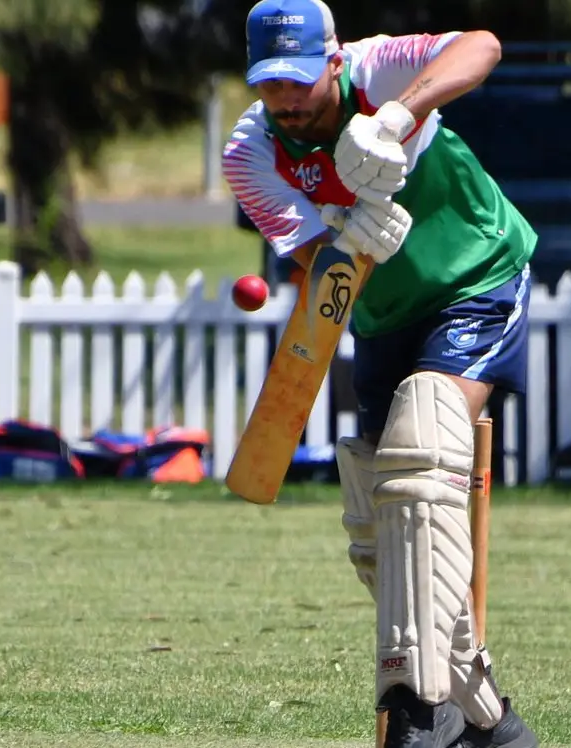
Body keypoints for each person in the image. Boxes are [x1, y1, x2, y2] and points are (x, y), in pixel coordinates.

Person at [221, 2, 539, 747]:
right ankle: (489, 721)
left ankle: (418, 715)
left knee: (421, 454)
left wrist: (396, 118)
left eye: (299, 82)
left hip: (476, 274)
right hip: (383, 314)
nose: (288, 102)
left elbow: (482, 45)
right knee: (380, 523)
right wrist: (350, 240)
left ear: (333, 61)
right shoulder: (250, 152)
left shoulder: (377, 68)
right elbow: (316, 267)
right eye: (271, 87)